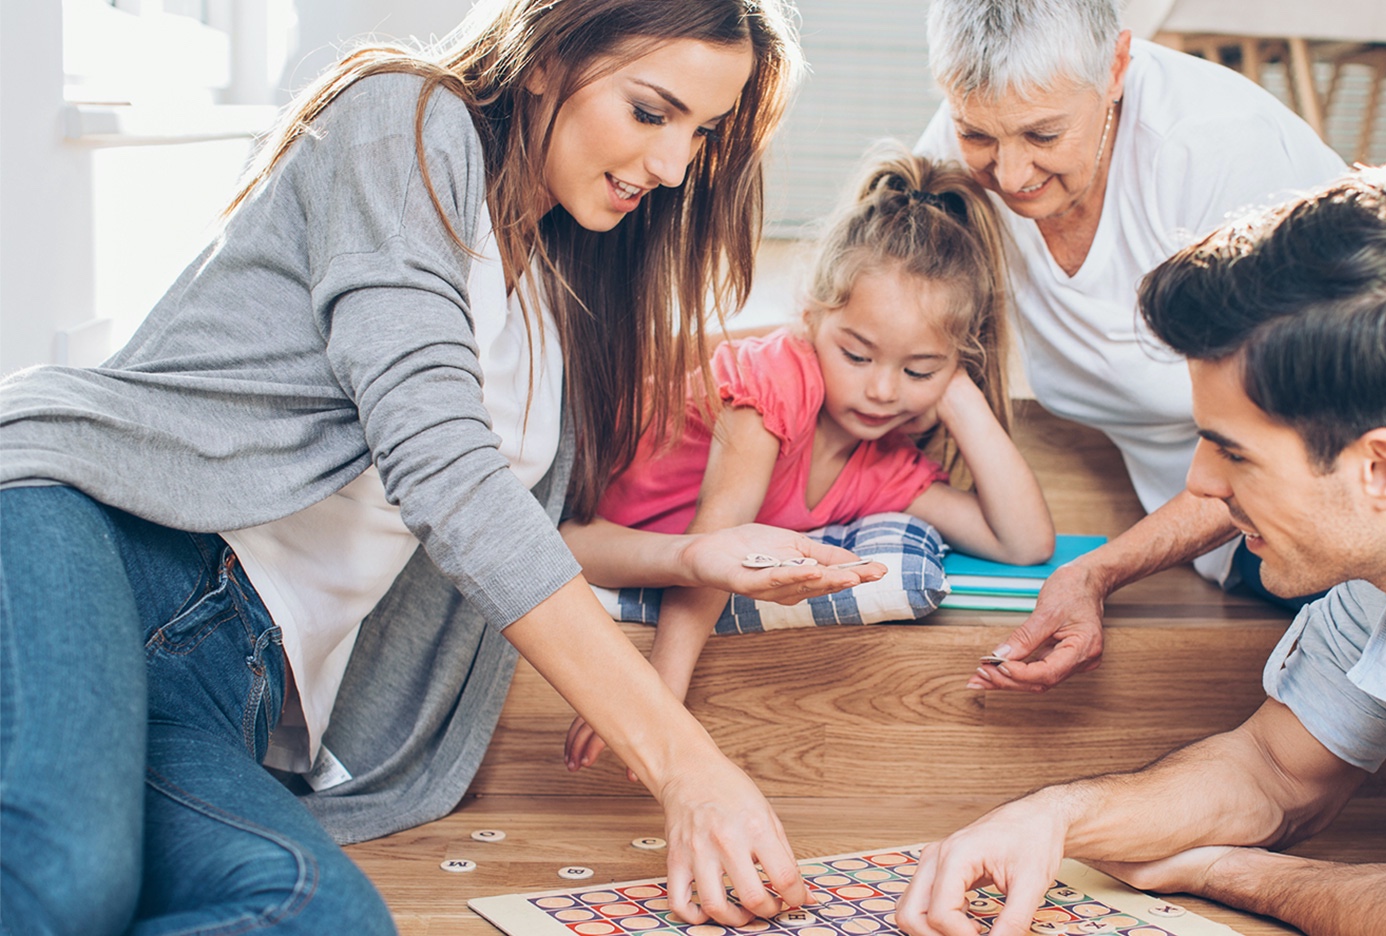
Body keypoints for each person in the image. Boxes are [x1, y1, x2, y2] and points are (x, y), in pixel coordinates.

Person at [0, 1, 888, 932]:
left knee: (314, 915)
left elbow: (513, 533)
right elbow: (440, 470)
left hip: (229, 679)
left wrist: (687, 559)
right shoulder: (404, 123)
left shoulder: (555, 295)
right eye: (650, 111)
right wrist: (687, 764)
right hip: (92, 543)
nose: (672, 168)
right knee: (67, 879)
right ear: (548, 55)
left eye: (700, 133)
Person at [894, 168, 1386, 936]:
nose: (1200, 483)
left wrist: (1227, 871)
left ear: (1382, 469)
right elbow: (1274, 770)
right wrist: (1051, 819)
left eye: (1233, 453)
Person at [911, 0, 1386, 692]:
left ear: (1116, 70)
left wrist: (1101, 570)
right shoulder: (953, 151)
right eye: (979, 134)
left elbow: (1295, 424)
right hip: (1259, 490)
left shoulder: (1213, 147)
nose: (1008, 174)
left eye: (1043, 135)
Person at [561, 150, 1057, 772]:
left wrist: (959, 391)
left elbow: (1025, 542)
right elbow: (720, 534)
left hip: (644, 554)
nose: (883, 390)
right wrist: (658, 696)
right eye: (857, 355)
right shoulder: (780, 379)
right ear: (813, 320)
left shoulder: (882, 464)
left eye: (918, 368)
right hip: (574, 532)